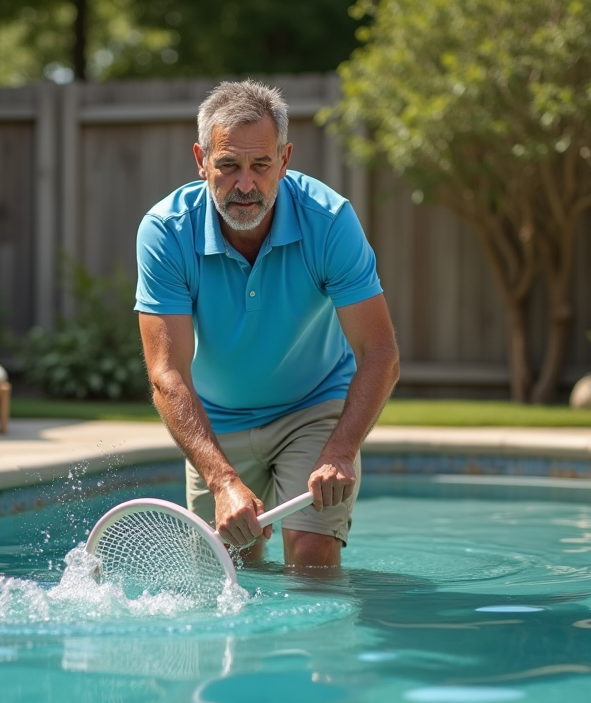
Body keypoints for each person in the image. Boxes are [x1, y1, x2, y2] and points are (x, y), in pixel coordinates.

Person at [134, 79, 400, 569]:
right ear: (201, 160)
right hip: (215, 420)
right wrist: (222, 480)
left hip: (312, 406)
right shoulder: (166, 232)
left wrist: (341, 450)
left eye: (260, 165)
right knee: (226, 570)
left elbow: (380, 352)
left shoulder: (330, 220)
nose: (245, 184)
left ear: (284, 159)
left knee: (311, 553)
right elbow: (166, 373)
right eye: (228, 165)